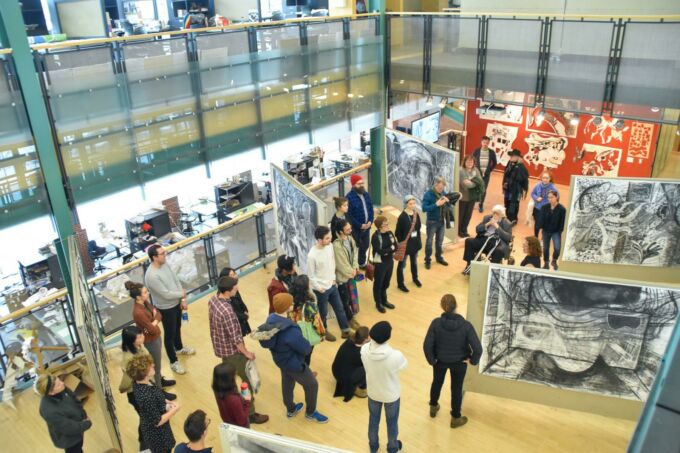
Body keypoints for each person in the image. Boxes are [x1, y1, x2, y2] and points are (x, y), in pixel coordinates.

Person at [256, 293, 329, 423]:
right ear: (286, 307)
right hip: (294, 363)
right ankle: (311, 413)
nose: (293, 304)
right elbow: (306, 349)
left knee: (287, 381)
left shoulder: (271, 319)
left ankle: (291, 409)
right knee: (312, 385)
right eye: (290, 303)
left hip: (280, 359)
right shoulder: (290, 331)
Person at [208, 276, 269, 424]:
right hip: (233, 352)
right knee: (246, 380)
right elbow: (236, 338)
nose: (238, 289)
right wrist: (247, 353)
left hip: (222, 348)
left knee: (233, 378)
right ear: (228, 291)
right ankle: (250, 413)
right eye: (235, 288)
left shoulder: (213, 300)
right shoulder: (228, 312)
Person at [423, 294, 482, 429]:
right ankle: (455, 417)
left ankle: (433, 406)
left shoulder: (436, 323)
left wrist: (432, 360)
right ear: (456, 306)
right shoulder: (466, 326)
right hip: (459, 363)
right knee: (456, 389)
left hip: (440, 361)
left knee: (437, 382)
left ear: (442, 307)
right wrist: (472, 361)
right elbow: (478, 349)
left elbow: (427, 345)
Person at [120, 326, 175, 450]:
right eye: (139, 336)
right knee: (146, 417)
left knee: (146, 416)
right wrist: (173, 411)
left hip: (147, 386)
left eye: (141, 334)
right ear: (131, 341)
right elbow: (157, 420)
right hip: (134, 392)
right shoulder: (129, 359)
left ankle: (144, 439)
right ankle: (144, 442)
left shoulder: (139, 347)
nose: (143, 337)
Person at [145, 244, 195, 375]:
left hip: (176, 303)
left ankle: (179, 348)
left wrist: (182, 299)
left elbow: (176, 280)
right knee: (169, 335)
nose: (165, 255)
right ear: (154, 257)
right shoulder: (151, 276)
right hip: (165, 308)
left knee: (177, 327)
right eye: (162, 254)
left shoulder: (165, 264)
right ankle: (173, 362)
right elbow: (165, 294)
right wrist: (181, 295)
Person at [361, 321, 407, 453]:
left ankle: (373, 446)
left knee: (373, 421)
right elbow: (404, 366)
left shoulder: (364, 350)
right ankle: (393, 448)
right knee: (392, 423)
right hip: (391, 396)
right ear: (388, 337)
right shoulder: (395, 355)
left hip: (373, 392)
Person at [307, 225, 351, 341]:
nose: (330, 239)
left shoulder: (330, 246)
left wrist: (333, 279)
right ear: (319, 240)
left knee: (340, 308)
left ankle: (345, 330)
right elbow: (310, 276)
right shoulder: (312, 255)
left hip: (332, 285)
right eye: (327, 238)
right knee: (323, 312)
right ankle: (324, 331)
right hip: (321, 289)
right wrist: (319, 287)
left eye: (330, 237)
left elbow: (332, 263)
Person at [128, 354, 179, 453]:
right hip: (158, 436)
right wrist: (174, 409)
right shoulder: (146, 396)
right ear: (144, 373)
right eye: (151, 366)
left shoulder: (142, 382)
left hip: (157, 426)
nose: (154, 365)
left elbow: (157, 394)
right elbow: (157, 421)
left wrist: (167, 401)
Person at [129, 281, 175, 388]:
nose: (148, 293)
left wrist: (154, 321)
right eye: (145, 292)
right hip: (151, 341)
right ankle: (159, 391)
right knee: (156, 368)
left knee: (157, 364)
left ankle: (160, 381)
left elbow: (158, 313)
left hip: (156, 337)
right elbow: (152, 329)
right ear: (138, 297)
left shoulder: (145, 303)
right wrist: (154, 320)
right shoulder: (138, 312)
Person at [37, 374, 92, 453]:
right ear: (51, 393)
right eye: (58, 384)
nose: (63, 383)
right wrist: (87, 423)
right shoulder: (49, 411)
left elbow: (74, 398)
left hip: (78, 427)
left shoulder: (62, 388)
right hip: (69, 440)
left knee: (79, 446)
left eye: (59, 380)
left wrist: (83, 414)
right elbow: (69, 428)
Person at [289, 274, 326, 365]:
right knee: (307, 355)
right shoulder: (310, 306)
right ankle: (305, 373)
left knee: (298, 355)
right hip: (306, 338)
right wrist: (322, 334)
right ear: (306, 288)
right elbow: (317, 323)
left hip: (293, 335)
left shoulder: (290, 301)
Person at [332, 219, 362, 329]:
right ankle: (349, 319)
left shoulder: (350, 238)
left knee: (351, 297)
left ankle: (352, 314)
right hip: (343, 278)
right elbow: (341, 265)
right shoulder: (336, 245)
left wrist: (355, 267)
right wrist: (352, 272)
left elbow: (355, 253)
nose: (350, 230)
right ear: (340, 231)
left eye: (350, 228)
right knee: (344, 300)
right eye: (348, 229)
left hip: (351, 274)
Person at [332, 326, 370, 402]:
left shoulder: (349, 341)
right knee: (369, 368)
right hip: (344, 378)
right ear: (365, 340)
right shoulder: (360, 354)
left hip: (336, 370)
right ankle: (361, 388)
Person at [394, 195, 422, 293]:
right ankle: (400, 284)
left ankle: (415, 278)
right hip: (405, 245)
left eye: (414, 203)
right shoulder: (402, 217)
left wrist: (418, 242)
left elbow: (418, 229)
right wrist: (402, 243)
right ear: (406, 204)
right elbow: (397, 232)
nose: (413, 205)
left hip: (414, 244)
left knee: (414, 263)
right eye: (410, 203)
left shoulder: (416, 214)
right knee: (402, 265)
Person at [346, 174, 374, 268]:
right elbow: (349, 216)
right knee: (354, 248)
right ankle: (353, 266)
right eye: (359, 184)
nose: (361, 185)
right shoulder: (349, 198)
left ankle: (361, 263)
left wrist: (370, 221)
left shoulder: (366, 194)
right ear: (353, 185)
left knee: (365, 245)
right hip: (355, 229)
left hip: (367, 227)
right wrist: (360, 225)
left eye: (362, 183)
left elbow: (370, 209)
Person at [422, 176, 450, 269]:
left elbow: (448, 205)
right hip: (432, 222)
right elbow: (424, 208)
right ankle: (427, 260)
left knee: (439, 242)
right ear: (435, 185)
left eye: (443, 188)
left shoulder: (443, 193)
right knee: (429, 242)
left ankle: (439, 258)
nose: (441, 190)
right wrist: (436, 204)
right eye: (439, 188)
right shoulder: (428, 194)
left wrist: (449, 201)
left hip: (441, 221)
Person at [212, 362, 251, 428]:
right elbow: (242, 421)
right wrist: (247, 402)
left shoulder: (217, 389)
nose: (236, 376)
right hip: (241, 428)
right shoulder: (234, 399)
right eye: (234, 375)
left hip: (228, 423)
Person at [371, 216, 397, 313]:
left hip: (389, 261)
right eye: (385, 225)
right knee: (378, 283)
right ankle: (378, 303)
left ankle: (384, 300)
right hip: (380, 264)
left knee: (386, 282)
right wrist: (390, 249)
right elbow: (380, 251)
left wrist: (388, 250)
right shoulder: (375, 237)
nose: (387, 226)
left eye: (387, 224)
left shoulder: (389, 233)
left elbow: (396, 246)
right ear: (379, 227)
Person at [218, 267, 251, 336]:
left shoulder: (233, 287)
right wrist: (245, 316)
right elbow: (233, 312)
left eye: (235, 273)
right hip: (236, 324)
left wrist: (245, 310)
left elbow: (240, 301)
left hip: (242, 319)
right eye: (232, 275)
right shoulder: (226, 294)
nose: (235, 276)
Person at [538, 190, 566, 270]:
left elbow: (562, 222)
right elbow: (541, 219)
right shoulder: (544, 207)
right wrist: (541, 229)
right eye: (548, 197)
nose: (550, 199)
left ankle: (554, 260)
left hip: (556, 232)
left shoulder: (562, 209)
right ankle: (546, 263)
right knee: (545, 248)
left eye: (551, 197)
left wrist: (560, 230)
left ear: (556, 197)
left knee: (557, 248)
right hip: (546, 231)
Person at [458, 155, 486, 238]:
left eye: (471, 161)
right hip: (463, 198)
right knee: (461, 215)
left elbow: (481, 182)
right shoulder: (461, 170)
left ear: (474, 162)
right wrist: (475, 182)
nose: (470, 163)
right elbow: (467, 185)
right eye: (468, 161)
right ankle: (459, 231)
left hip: (472, 198)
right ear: (464, 162)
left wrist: (472, 181)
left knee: (468, 215)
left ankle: (464, 230)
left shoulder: (476, 170)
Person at [502, 149, 529, 224]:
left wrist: (511, 181)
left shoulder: (521, 167)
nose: (511, 157)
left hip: (516, 190)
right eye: (511, 156)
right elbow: (506, 174)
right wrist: (505, 183)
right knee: (507, 202)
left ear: (517, 157)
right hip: (508, 188)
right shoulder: (510, 163)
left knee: (513, 204)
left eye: (512, 156)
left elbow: (523, 178)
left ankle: (513, 219)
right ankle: (507, 217)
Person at [472, 135, 497, 212]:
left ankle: (481, 204)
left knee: (483, 190)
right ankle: (473, 203)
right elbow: (472, 160)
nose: (485, 144)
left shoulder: (492, 152)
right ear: (481, 142)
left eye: (487, 143)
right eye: (484, 142)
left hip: (486, 175)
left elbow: (495, 163)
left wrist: (489, 169)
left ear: (488, 143)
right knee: (474, 188)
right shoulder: (476, 151)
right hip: (477, 174)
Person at [530, 171, 559, 237]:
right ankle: (536, 237)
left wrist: (552, 201)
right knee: (537, 224)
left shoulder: (553, 188)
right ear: (541, 178)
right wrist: (536, 198)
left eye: (547, 178)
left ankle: (543, 239)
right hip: (537, 208)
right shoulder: (537, 185)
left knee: (545, 225)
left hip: (547, 210)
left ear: (550, 179)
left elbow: (557, 198)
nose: (545, 179)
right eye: (543, 178)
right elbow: (532, 193)